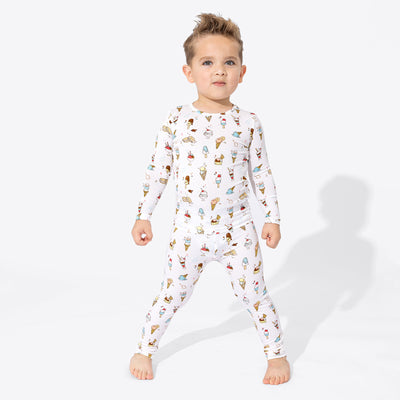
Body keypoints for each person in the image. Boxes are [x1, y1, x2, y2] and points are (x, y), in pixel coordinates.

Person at [129, 12, 290, 385]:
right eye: (207, 63)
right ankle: (144, 349)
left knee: (256, 295)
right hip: (189, 231)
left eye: (229, 63)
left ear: (242, 72)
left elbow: (261, 174)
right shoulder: (176, 120)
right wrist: (143, 214)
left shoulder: (248, 123)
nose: (219, 70)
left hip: (239, 231)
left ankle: (277, 355)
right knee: (171, 293)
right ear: (188, 72)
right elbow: (158, 171)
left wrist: (272, 217)